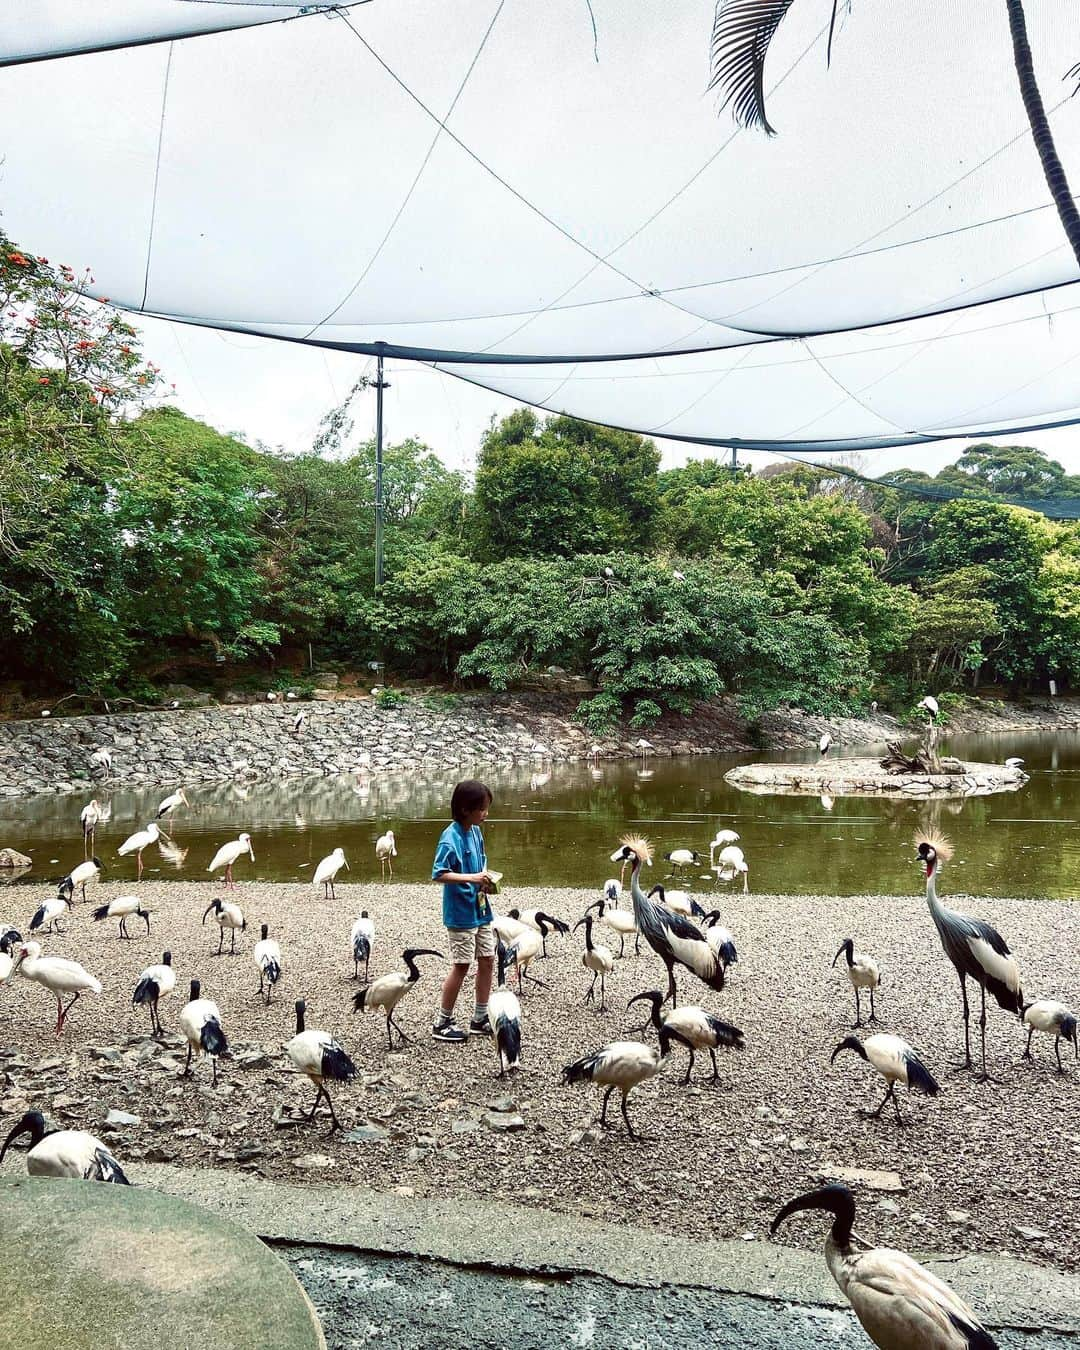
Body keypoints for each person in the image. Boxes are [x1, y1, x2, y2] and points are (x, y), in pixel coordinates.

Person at [431, 779, 495, 1044]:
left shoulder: (476, 832)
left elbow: (480, 863)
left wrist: (486, 881)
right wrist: (472, 878)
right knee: (461, 965)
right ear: (466, 809)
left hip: (480, 908)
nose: (486, 813)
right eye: (481, 809)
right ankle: (442, 1022)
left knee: (488, 958)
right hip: (460, 912)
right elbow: (439, 874)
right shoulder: (450, 838)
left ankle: (480, 1017)